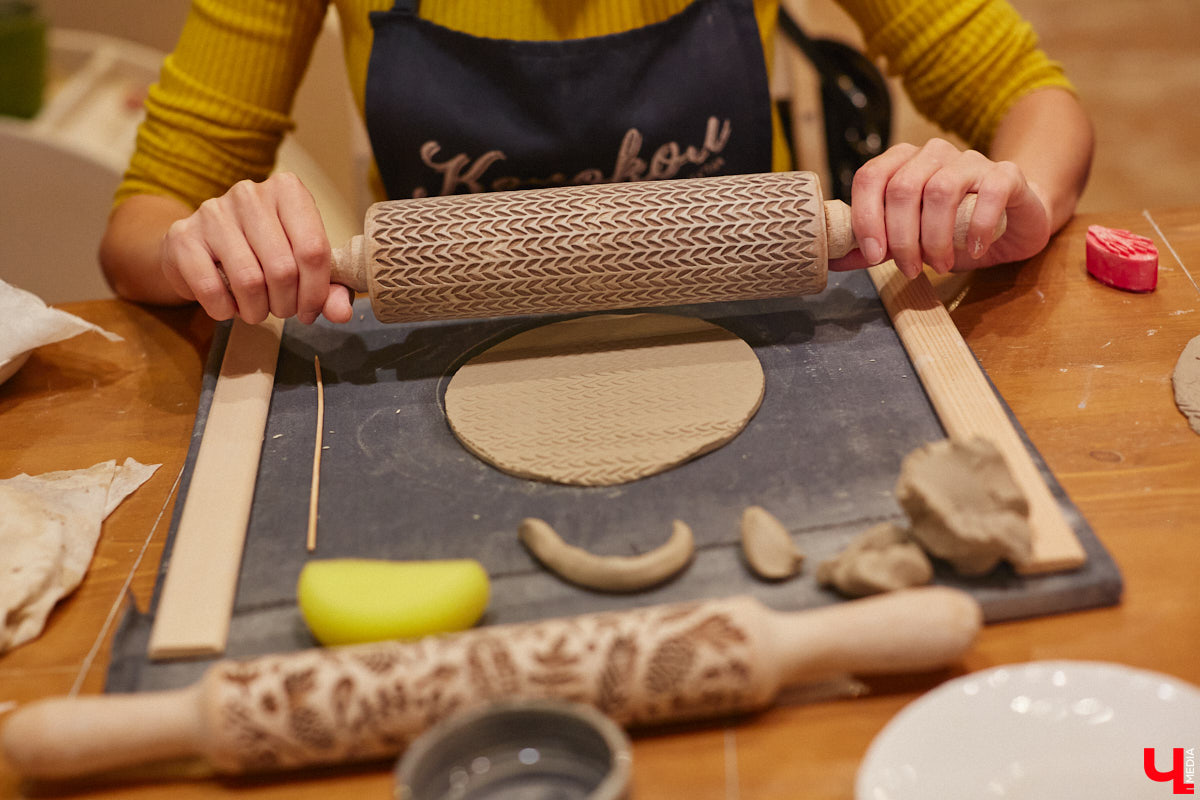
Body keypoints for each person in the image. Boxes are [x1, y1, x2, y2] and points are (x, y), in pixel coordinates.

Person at [98, 0, 1093, 326]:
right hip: (441, 357)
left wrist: (1017, 193)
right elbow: (139, 227)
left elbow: (1026, 95)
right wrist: (204, 244)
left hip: (764, 332)